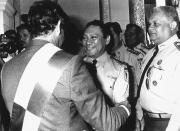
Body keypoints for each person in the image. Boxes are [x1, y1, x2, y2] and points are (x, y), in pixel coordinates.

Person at [1, 1, 130, 131]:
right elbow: (106, 123)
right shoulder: (71, 64)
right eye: (63, 29)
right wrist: (125, 108)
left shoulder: (7, 67)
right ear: (57, 27)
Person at [136, 6, 180, 131]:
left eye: (156, 24)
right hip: (148, 122)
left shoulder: (177, 54)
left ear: (172, 25)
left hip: (168, 124)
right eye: (149, 24)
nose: (150, 28)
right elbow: (143, 87)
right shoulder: (151, 53)